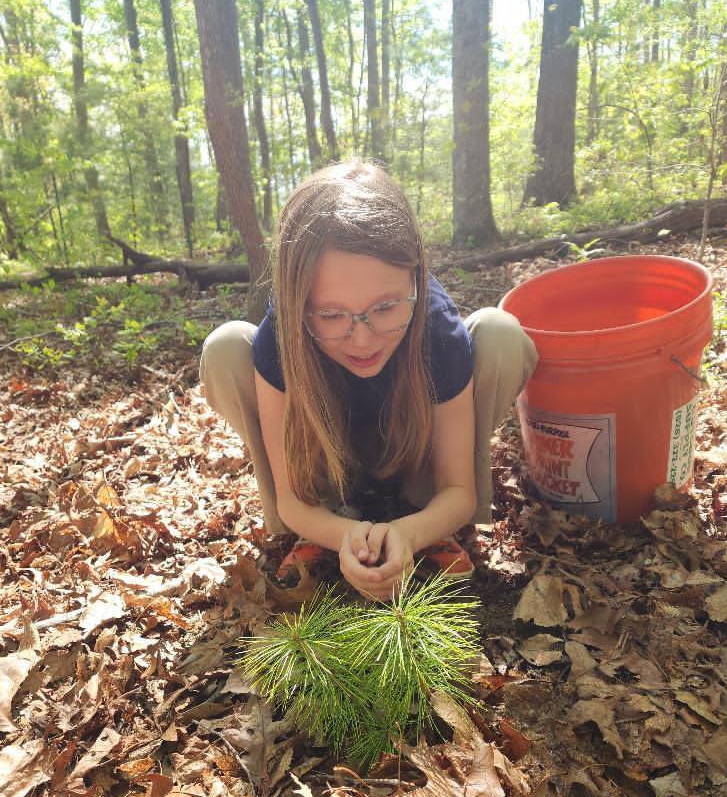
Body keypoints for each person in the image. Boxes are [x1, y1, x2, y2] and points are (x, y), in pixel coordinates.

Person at [200, 159, 536, 601]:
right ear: (296, 300)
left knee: (500, 333)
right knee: (225, 347)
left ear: (415, 278)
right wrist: (343, 535)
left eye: (385, 308)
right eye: (330, 314)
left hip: (420, 468)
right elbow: (291, 502)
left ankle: (427, 519)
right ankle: (322, 524)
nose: (362, 338)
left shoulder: (435, 327)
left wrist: (410, 533)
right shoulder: (282, 335)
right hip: (323, 473)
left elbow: (457, 490)